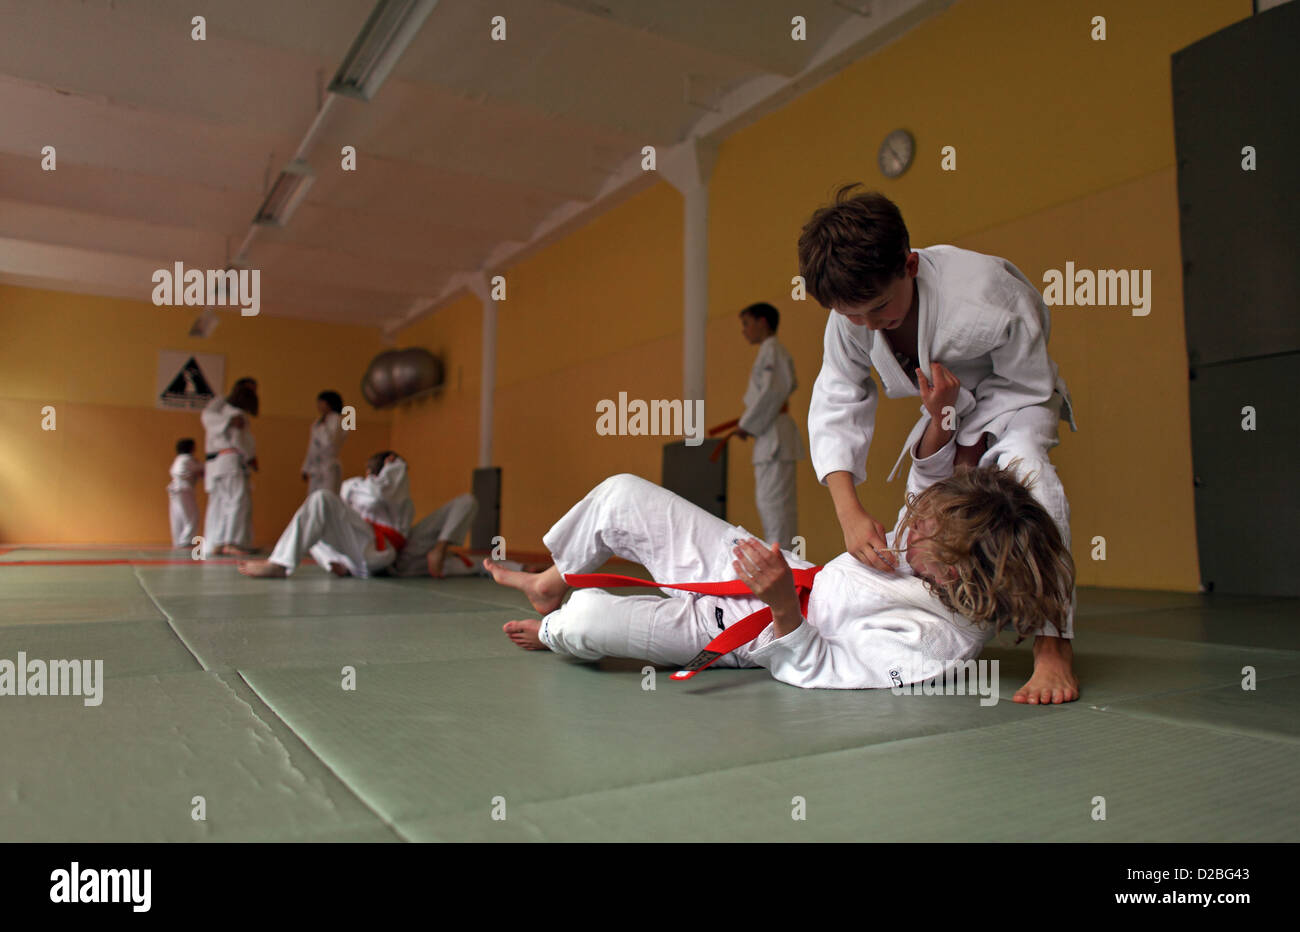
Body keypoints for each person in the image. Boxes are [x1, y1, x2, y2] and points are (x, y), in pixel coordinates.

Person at [485, 400, 1073, 689]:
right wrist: (941, 430)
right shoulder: (930, 560)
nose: (907, 528)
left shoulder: (931, 646)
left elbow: (817, 669)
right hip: (762, 569)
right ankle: (547, 582)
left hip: (746, 630)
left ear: (958, 573)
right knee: (620, 494)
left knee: (585, 619)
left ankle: (553, 626)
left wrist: (783, 608)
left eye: (925, 533)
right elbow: (926, 504)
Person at [799, 186, 1079, 703]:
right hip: (945, 408)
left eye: (878, 308)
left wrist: (967, 457)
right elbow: (838, 400)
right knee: (921, 518)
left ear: (908, 265)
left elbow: (1027, 386)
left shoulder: (985, 294)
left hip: (1016, 405)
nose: (866, 325)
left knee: (1033, 475)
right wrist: (848, 510)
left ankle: (1053, 645)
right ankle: (935, 607)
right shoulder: (850, 316)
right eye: (852, 315)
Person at [237, 450, 410, 578]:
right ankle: (338, 565)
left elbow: (374, 498)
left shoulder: (398, 497)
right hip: (355, 556)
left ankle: (280, 564)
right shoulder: (354, 485)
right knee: (312, 525)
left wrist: (393, 467)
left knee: (322, 499)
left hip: (379, 552)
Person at [732, 302, 804, 549]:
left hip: (774, 438)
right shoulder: (768, 351)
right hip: (769, 436)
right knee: (771, 507)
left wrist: (746, 425)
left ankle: (784, 565)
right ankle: (783, 563)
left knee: (777, 510)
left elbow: (773, 392)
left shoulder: (772, 350)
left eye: (746, 324)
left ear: (763, 321)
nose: (744, 331)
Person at [200, 378, 259, 557]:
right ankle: (232, 542)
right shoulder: (230, 410)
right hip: (231, 460)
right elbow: (240, 441)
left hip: (220, 463)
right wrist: (250, 457)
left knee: (220, 503)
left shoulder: (228, 411)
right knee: (237, 501)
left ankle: (216, 543)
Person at [302, 390, 345, 495]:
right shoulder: (318, 422)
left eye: (321, 402)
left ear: (329, 404)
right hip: (316, 469)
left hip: (329, 468)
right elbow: (312, 447)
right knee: (313, 499)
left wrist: (323, 427)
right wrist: (306, 467)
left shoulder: (337, 420)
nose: (319, 405)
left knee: (327, 497)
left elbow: (329, 442)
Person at [167, 438, 203, 549]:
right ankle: (187, 541)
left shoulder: (178, 459)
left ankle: (178, 540)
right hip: (184, 489)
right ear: (191, 448)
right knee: (192, 516)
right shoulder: (188, 459)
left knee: (178, 516)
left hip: (175, 489)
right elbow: (202, 469)